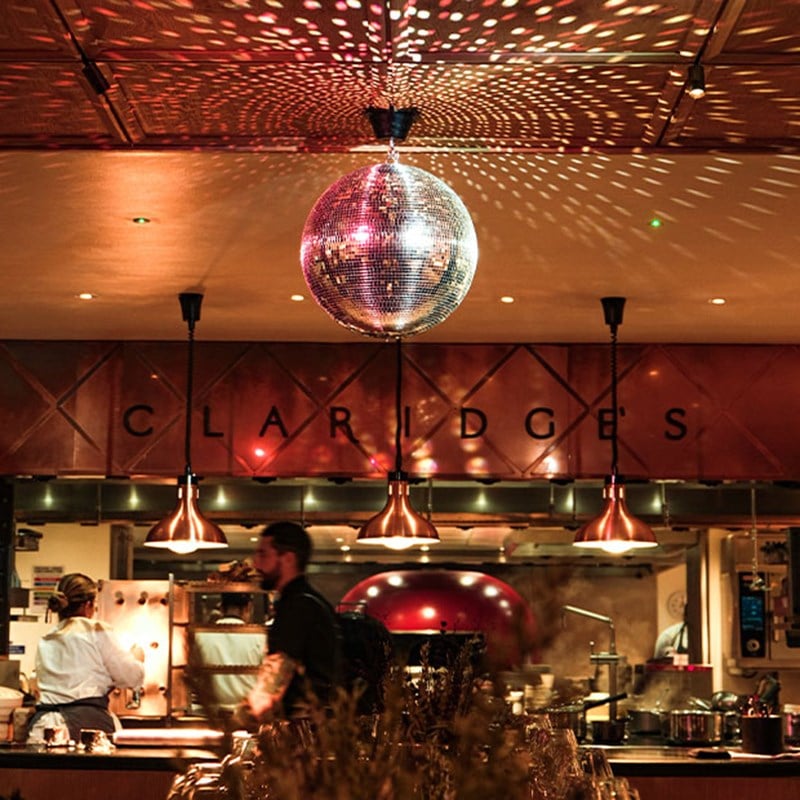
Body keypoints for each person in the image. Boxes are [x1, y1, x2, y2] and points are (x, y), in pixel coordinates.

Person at [27, 572, 145, 744]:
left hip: (44, 728)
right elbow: (130, 676)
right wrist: (137, 659)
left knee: (46, 771)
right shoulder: (96, 630)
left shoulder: (47, 638)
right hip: (86, 726)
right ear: (88, 604)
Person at [245, 521, 342, 720]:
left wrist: (242, 720)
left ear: (288, 558)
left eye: (263, 554)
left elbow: (276, 675)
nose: (256, 564)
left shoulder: (297, 606)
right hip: (320, 727)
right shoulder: (312, 601)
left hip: (304, 731)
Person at [193, 592, 266, 712]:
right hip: (247, 714)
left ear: (221, 608)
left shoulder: (200, 636)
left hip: (209, 714)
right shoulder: (259, 637)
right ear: (248, 608)